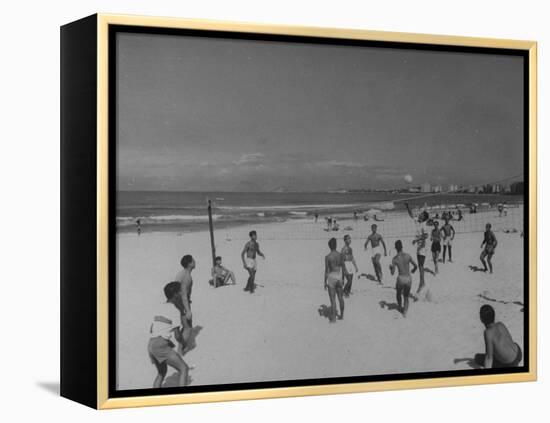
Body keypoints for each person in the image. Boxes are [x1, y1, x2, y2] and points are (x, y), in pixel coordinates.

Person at [148, 281, 190, 388]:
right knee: (184, 368)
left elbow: (151, 329)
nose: (182, 294)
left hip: (151, 345)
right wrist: (184, 344)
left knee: (161, 373)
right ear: (176, 294)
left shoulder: (159, 307)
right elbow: (178, 336)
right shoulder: (175, 311)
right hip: (160, 345)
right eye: (180, 292)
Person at [389, 240, 418, 317]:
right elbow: (416, 266)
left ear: (396, 248)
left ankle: (399, 306)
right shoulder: (408, 256)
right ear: (402, 247)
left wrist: (390, 268)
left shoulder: (395, 259)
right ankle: (405, 312)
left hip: (401, 278)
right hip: (408, 278)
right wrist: (413, 270)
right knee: (406, 296)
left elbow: (392, 273)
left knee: (398, 293)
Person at [175, 255, 195, 343]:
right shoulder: (187, 276)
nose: (195, 262)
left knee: (184, 326)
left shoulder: (182, 273)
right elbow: (183, 295)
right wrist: (188, 310)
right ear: (190, 264)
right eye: (193, 261)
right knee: (188, 327)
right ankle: (180, 352)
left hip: (177, 303)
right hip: (181, 304)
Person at [324, 237, 345, 322]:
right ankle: (342, 315)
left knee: (333, 300)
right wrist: (343, 278)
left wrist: (324, 281)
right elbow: (343, 267)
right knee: (340, 298)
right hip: (339, 275)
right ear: (336, 245)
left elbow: (326, 270)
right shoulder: (340, 255)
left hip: (332, 276)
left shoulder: (328, 257)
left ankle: (333, 319)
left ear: (329, 246)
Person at [412, 209, 429, 294]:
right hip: (419, 247)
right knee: (420, 266)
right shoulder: (418, 222)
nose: (420, 214)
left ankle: (422, 283)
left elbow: (426, 235)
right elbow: (411, 215)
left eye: (421, 214)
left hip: (422, 247)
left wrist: (416, 240)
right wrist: (407, 206)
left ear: (424, 217)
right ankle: (422, 282)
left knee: (421, 266)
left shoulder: (424, 225)